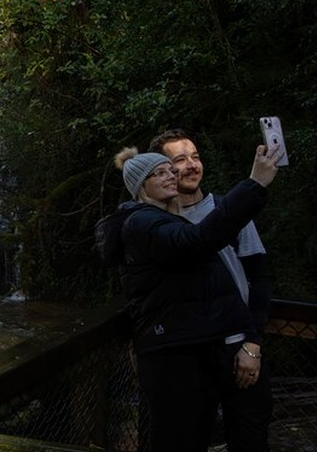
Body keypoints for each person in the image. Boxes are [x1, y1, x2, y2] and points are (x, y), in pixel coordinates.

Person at [95, 143, 281, 452]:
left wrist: (250, 339)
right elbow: (196, 241)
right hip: (171, 354)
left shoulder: (162, 219)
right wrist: (254, 184)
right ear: (142, 185)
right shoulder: (142, 223)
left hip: (192, 349)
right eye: (160, 172)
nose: (172, 175)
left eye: (170, 170)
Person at [149, 129, 273, 451]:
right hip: (190, 355)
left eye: (195, 156)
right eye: (179, 160)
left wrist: (253, 343)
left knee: (250, 439)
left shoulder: (229, 209)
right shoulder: (158, 223)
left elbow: (258, 279)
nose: (191, 165)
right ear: (161, 170)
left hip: (239, 349)